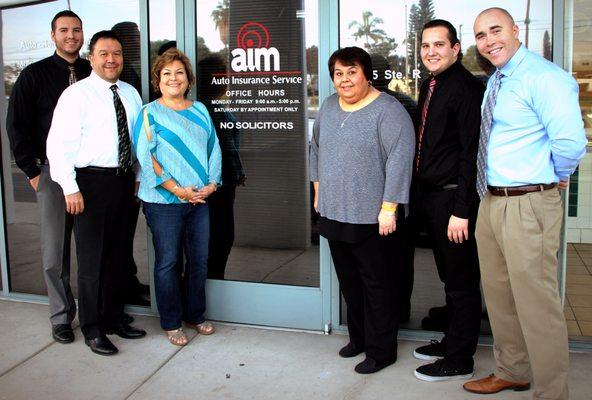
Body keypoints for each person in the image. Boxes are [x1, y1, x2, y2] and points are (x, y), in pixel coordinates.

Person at [464, 8, 587, 398]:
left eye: (496, 30)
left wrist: (552, 172)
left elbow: (570, 144)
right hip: (492, 200)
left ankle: (552, 393)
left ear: (516, 31)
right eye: (481, 35)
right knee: (500, 297)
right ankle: (513, 370)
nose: (489, 41)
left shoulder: (545, 77)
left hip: (528, 202)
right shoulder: (498, 79)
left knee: (537, 305)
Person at [310, 46, 414, 374]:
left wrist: (389, 208)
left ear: (366, 74)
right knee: (350, 283)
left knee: (378, 286)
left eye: (351, 72)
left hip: (374, 217)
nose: (344, 79)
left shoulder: (388, 110)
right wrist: (317, 191)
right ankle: (360, 339)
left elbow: (400, 159)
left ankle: (382, 351)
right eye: (338, 74)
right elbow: (315, 149)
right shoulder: (327, 107)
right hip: (335, 211)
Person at [47, 30, 146, 356]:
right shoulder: (76, 95)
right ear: (92, 57)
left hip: (122, 182)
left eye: (116, 53)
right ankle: (92, 327)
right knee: (91, 261)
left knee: (118, 256)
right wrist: (70, 187)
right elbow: (58, 145)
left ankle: (114, 318)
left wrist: (137, 177)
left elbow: (139, 141)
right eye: (104, 53)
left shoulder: (131, 93)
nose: (111, 59)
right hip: (88, 184)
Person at [6, 10, 91, 344]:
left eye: (77, 30)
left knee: (92, 247)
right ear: (53, 35)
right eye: (64, 30)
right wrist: (31, 172)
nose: (71, 35)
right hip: (50, 174)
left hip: (90, 174)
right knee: (55, 252)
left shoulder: (92, 71)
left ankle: (96, 311)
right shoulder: (34, 75)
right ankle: (61, 316)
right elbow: (16, 127)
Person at [410, 19, 484, 382]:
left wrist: (461, 211)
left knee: (461, 280)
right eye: (426, 45)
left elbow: (471, 152)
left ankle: (460, 358)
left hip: (454, 200)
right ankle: (451, 341)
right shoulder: (431, 84)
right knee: (447, 277)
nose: (431, 51)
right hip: (432, 198)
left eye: (439, 45)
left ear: (456, 49)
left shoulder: (467, 88)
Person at [133, 48, 222, 346]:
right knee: (169, 262)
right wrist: (177, 190)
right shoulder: (148, 113)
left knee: (199, 260)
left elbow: (213, 148)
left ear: (188, 79)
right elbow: (147, 157)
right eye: (167, 73)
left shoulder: (200, 110)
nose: (174, 78)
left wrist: (211, 184)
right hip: (164, 203)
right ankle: (171, 321)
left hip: (199, 199)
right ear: (158, 79)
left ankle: (195, 315)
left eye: (179, 73)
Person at [197, 55, 246, 280]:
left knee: (217, 236)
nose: (226, 80)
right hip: (218, 183)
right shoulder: (210, 108)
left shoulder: (211, 105)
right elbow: (226, 148)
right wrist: (237, 173)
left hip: (220, 182)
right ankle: (215, 284)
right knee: (221, 236)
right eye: (222, 75)